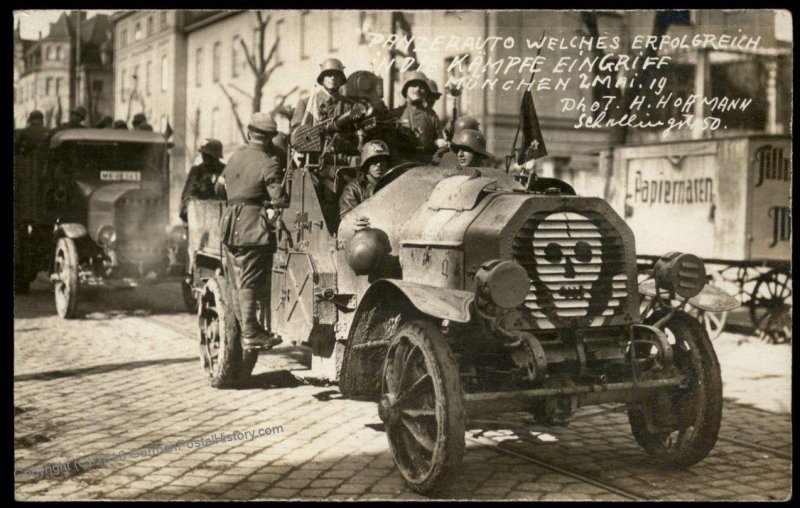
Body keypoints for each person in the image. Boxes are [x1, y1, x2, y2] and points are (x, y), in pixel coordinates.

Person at [216, 113, 284, 351]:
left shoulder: (235, 156)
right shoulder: (269, 162)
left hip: (231, 224)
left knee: (237, 281)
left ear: (249, 133)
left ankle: (246, 329)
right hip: (252, 226)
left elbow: (219, 187)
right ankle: (250, 332)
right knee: (250, 280)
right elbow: (280, 198)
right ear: (269, 139)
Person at [392, 71, 441, 164]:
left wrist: (434, 158)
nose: (418, 89)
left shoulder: (432, 116)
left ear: (426, 92)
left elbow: (440, 144)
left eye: (422, 87)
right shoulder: (395, 115)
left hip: (426, 166)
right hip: (400, 166)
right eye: (413, 85)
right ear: (406, 89)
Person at [291, 58, 350, 129]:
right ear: (322, 79)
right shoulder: (306, 104)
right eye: (329, 74)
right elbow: (296, 135)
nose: (333, 78)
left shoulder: (349, 105)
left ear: (341, 79)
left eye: (337, 75)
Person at [179, 138, 225, 223]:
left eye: (209, 156)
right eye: (204, 155)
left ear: (216, 156)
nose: (206, 159)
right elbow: (187, 196)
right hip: (200, 219)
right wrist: (200, 194)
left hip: (220, 218)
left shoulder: (225, 171)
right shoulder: (197, 172)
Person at [339, 140, 390, 216]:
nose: (379, 164)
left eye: (382, 160)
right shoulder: (353, 190)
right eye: (374, 161)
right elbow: (348, 220)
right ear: (366, 164)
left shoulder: (391, 184)